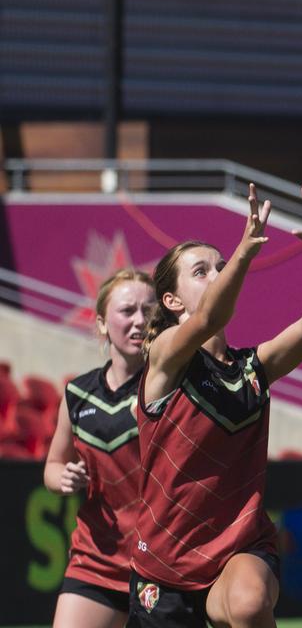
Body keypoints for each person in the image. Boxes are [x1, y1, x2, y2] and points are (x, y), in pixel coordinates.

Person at [128, 181, 302, 628]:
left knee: (251, 605)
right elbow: (211, 317)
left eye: (220, 266)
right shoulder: (165, 358)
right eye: (202, 271)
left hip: (239, 550)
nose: (217, 274)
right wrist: (244, 252)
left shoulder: (253, 369)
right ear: (172, 301)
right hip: (164, 570)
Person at [44, 269, 156, 628]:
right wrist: (64, 477)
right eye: (127, 311)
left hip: (160, 565)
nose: (139, 321)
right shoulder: (77, 394)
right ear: (103, 323)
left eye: (149, 311)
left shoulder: (171, 390)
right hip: (95, 562)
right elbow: (53, 465)